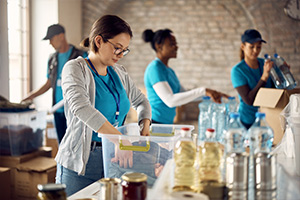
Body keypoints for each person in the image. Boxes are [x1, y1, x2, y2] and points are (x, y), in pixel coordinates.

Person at [55, 15, 152, 196]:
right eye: (117, 48)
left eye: (125, 50)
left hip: (112, 160)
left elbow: (141, 101)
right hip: (79, 166)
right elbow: (82, 108)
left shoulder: (119, 72)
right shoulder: (75, 68)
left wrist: (144, 124)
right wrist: (120, 140)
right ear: (98, 41)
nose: (121, 55)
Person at [142, 29, 228, 124]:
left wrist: (209, 94)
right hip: (153, 123)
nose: (176, 47)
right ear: (158, 46)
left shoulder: (169, 71)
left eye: (176, 43)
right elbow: (170, 101)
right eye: (171, 44)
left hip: (166, 123)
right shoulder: (154, 68)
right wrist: (203, 91)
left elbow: (185, 94)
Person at [22, 24, 88, 143]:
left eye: (51, 39)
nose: (50, 43)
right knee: (62, 146)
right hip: (57, 111)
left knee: (76, 145)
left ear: (61, 36)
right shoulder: (52, 59)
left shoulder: (81, 55)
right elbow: (49, 84)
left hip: (75, 111)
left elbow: (89, 82)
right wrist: (31, 96)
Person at [231, 29, 274, 129]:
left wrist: (282, 74)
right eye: (251, 47)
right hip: (247, 122)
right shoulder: (238, 71)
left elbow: (275, 91)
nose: (256, 50)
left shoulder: (264, 64)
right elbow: (249, 100)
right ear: (243, 46)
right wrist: (264, 77)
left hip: (268, 119)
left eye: (258, 47)